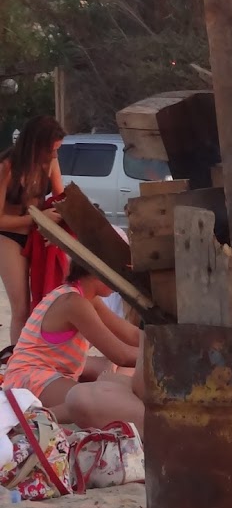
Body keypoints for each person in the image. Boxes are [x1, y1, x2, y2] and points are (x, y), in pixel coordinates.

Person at [0, 261, 144, 432]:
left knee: (116, 378)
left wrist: (170, 341)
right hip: (29, 376)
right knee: (95, 401)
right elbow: (121, 355)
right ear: (98, 272)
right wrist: (166, 356)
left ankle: (41, 416)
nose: (119, 286)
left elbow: (132, 335)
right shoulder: (74, 303)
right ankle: (35, 420)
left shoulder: (85, 297)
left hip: (50, 370)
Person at [0, 116, 65, 348]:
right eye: (51, 150)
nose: (54, 155)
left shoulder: (50, 163)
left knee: (45, 299)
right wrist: (37, 219)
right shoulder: (7, 167)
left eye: (57, 150)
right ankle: (18, 363)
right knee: (21, 307)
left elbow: (61, 198)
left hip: (37, 232)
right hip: (9, 236)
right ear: (35, 145)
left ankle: (37, 355)